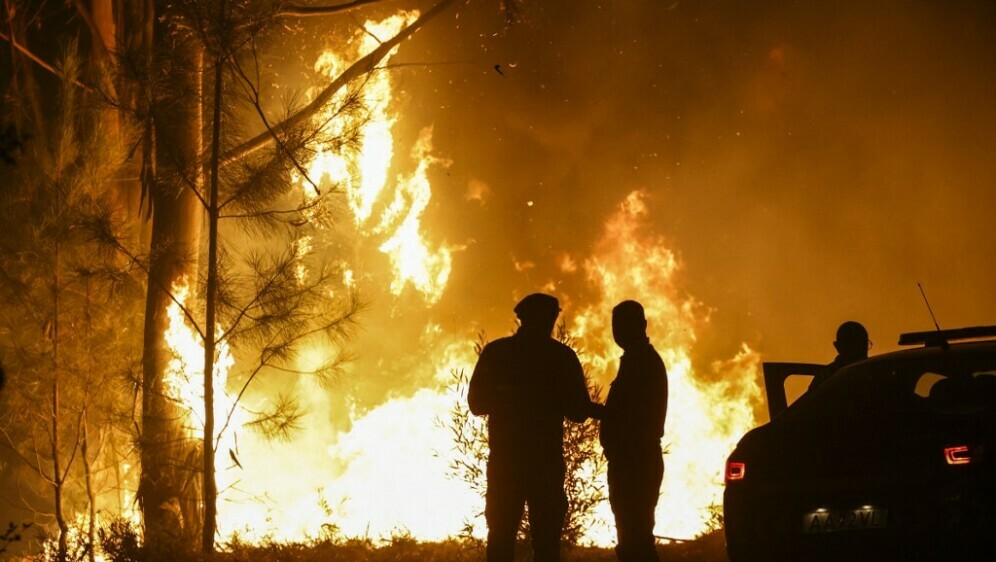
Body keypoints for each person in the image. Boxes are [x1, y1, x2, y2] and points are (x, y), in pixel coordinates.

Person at [468, 293, 600, 562]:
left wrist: (508, 398)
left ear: (522, 318)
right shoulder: (561, 357)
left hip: (506, 464)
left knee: (501, 538)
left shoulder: (497, 353)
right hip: (545, 464)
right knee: (546, 544)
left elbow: (476, 403)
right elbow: (578, 411)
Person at [599, 300, 667, 562]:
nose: (618, 331)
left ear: (642, 325)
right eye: (615, 325)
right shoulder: (636, 360)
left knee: (635, 539)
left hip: (635, 461)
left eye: (624, 324)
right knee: (632, 537)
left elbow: (631, 416)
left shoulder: (642, 363)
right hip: (632, 460)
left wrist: (594, 411)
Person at [809, 321, 870, 390]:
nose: (859, 350)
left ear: (837, 346)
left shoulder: (824, 376)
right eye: (853, 345)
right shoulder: (825, 376)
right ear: (838, 346)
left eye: (862, 345)